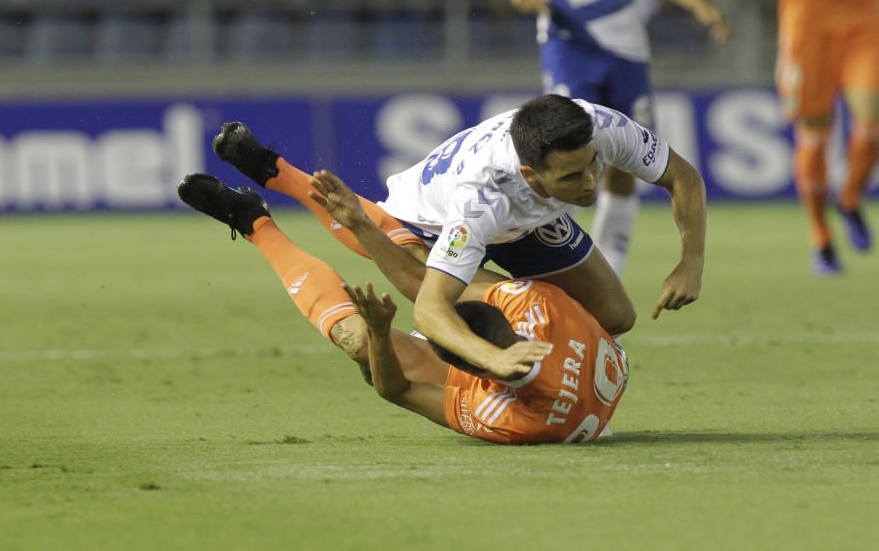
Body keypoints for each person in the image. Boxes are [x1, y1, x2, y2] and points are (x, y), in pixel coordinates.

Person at [213, 93, 706, 381]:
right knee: (427, 289)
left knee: (617, 316)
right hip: (427, 216)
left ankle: (274, 177)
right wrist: (496, 356)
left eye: (593, 165)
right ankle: (275, 182)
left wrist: (691, 261)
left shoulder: (599, 128)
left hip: (526, 220)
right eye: (573, 177)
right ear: (532, 173)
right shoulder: (480, 199)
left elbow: (683, 178)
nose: (592, 183)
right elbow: (430, 305)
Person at [176, 171, 628, 444]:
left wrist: (377, 333)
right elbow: (423, 285)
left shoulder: (511, 418)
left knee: (357, 343)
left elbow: (396, 390)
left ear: (477, 377)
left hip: (532, 394)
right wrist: (359, 223)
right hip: (543, 359)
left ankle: (255, 223)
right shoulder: (537, 302)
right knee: (424, 269)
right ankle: (277, 176)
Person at [482, 0, 728, 275]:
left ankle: (612, 266)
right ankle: (551, 256)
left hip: (627, 47)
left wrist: (697, 4)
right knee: (562, 148)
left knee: (628, 158)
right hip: (568, 41)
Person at [776, 0, 879, 274]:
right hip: (808, 22)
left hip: (863, 20)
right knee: (814, 134)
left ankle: (849, 198)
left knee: (874, 121)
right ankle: (821, 238)